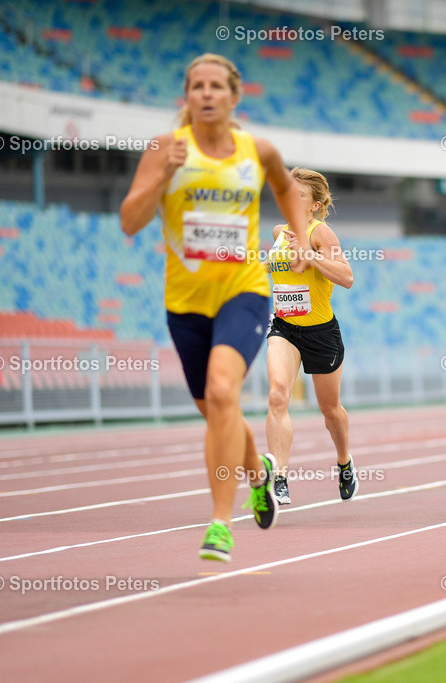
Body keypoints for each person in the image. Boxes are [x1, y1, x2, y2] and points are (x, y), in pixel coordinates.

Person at [120, 53, 316, 562]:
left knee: (223, 391)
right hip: (185, 302)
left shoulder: (258, 151)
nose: (206, 93)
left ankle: (220, 523)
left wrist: (300, 238)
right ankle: (259, 474)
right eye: (197, 86)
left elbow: (286, 189)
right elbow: (130, 221)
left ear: (234, 96)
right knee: (216, 408)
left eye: (216, 86)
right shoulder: (164, 149)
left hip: (242, 291)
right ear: (186, 96)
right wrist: (163, 174)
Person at [264, 168, 356, 506]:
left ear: (315, 205)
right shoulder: (279, 232)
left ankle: (344, 462)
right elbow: (275, 269)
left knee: (330, 410)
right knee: (277, 396)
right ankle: (279, 478)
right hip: (284, 328)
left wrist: (311, 256)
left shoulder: (321, 233)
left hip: (320, 332)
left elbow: (347, 277)